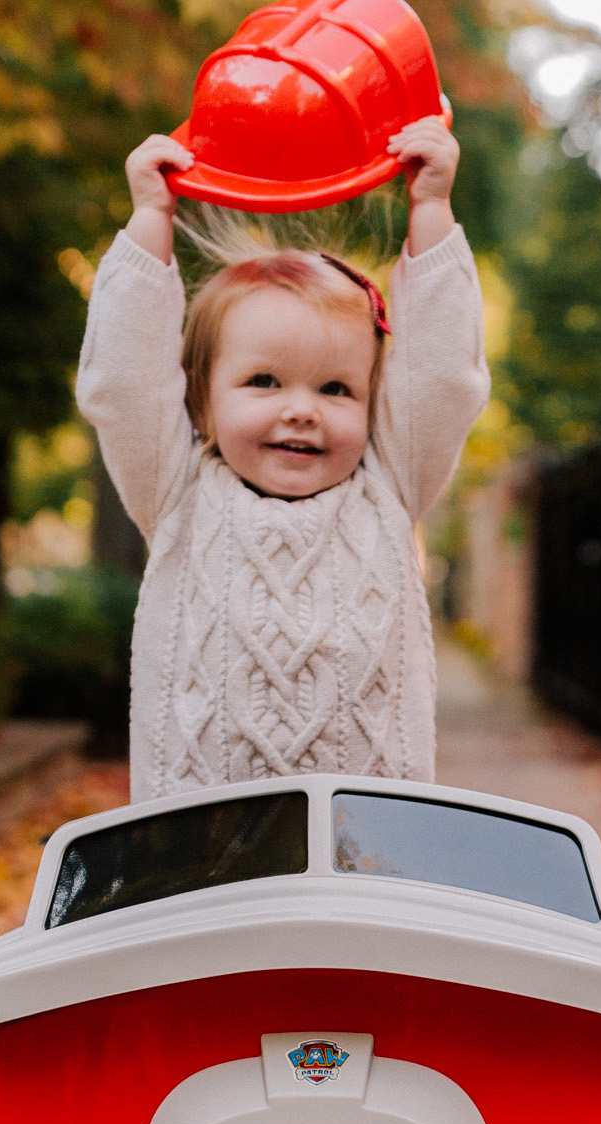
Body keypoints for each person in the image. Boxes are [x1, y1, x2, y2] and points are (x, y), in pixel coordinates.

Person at [76, 115, 489, 800]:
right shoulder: (175, 491)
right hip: (201, 848)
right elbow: (122, 381)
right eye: (264, 381)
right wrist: (151, 220)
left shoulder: (389, 485)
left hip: (367, 849)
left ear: (373, 402)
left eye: (336, 388)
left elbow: (442, 378)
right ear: (200, 401)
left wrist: (432, 208)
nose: (302, 409)